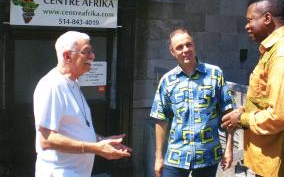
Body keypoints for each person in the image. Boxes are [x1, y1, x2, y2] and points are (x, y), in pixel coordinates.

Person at [221, 0, 284, 177]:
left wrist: (242, 119)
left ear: (267, 18)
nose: (246, 26)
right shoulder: (275, 50)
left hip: (281, 162)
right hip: (270, 160)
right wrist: (242, 111)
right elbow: (267, 99)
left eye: (250, 20)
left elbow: (281, 116)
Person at [33, 31, 132, 177]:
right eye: (86, 52)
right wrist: (96, 148)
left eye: (92, 51)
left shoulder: (73, 83)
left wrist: (101, 141)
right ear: (67, 56)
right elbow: (46, 139)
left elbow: (74, 128)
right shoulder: (52, 85)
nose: (92, 56)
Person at [150, 28, 236, 177]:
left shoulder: (215, 74)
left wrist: (229, 149)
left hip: (207, 156)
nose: (185, 50)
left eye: (188, 44)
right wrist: (158, 157)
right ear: (172, 52)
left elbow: (229, 112)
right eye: (179, 47)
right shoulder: (167, 80)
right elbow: (160, 119)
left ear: (194, 45)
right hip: (176, 157)